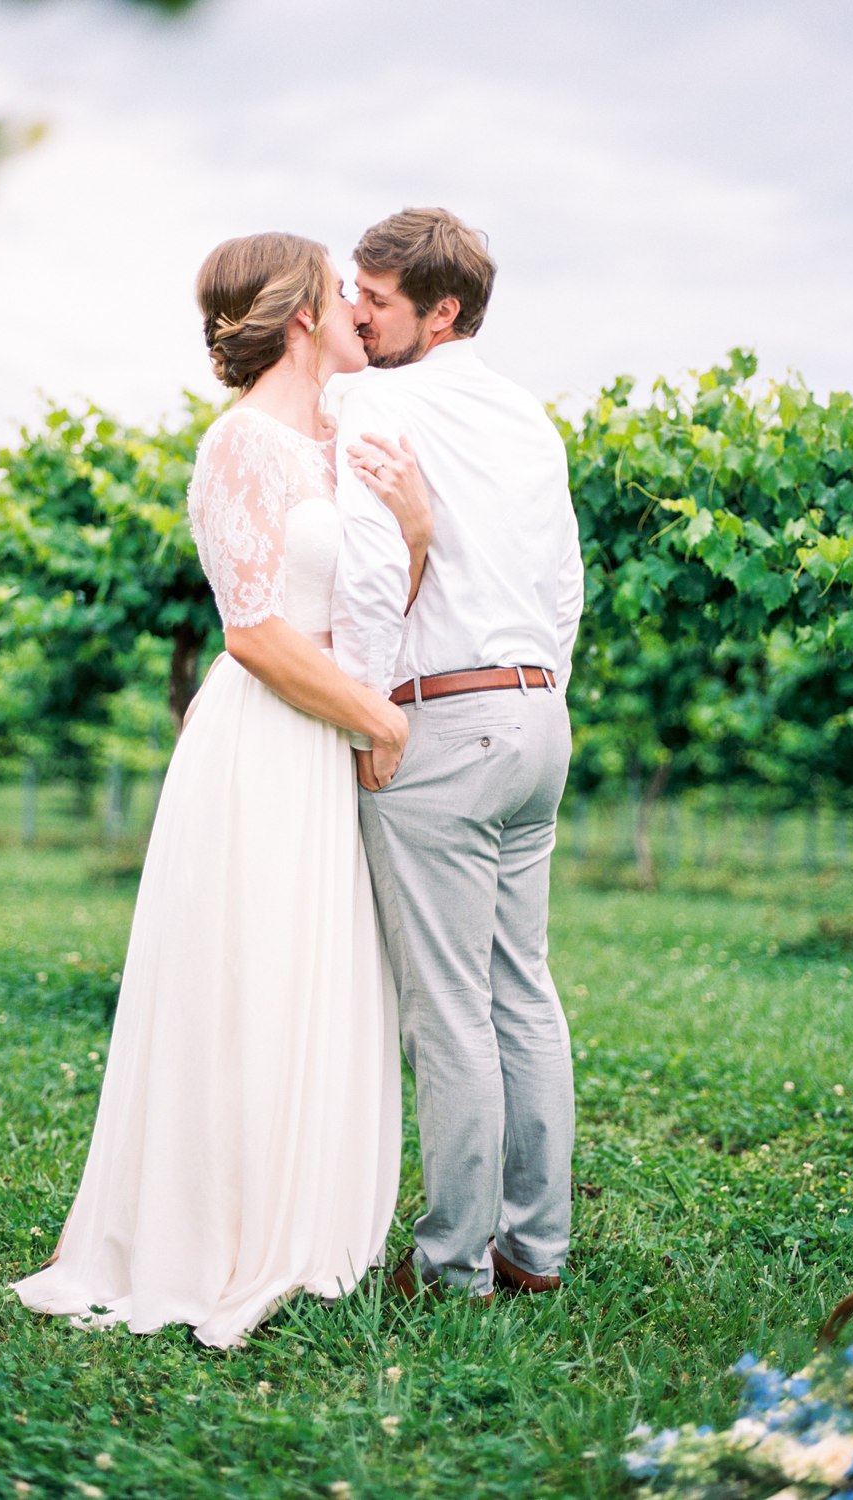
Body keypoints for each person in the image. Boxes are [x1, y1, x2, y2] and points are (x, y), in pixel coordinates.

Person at [12, 232, 429, 1349]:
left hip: (327, 739)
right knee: (247, 976)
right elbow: (252, 634)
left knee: (321, 971)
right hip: (264, 747)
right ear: (299, 315)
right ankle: (218, 1232)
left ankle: (309, 1224)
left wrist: (419, 532)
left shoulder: (341, 444)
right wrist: (375, 717)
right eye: (339, 288)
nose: (356, 302)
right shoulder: (241, 445)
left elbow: (374, 600)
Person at [330, 207, 585, 1304]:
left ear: (441, 311)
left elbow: (371, 570)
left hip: (440, 721)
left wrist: (372, 713)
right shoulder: (531, 416)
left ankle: (451, 1266)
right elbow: (565, 586)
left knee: (447, 1008)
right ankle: (537, 1250)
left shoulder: (372, 400)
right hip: (536, 717)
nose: (354, 314)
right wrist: (539, 697)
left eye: (376, 301)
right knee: (520, 990)